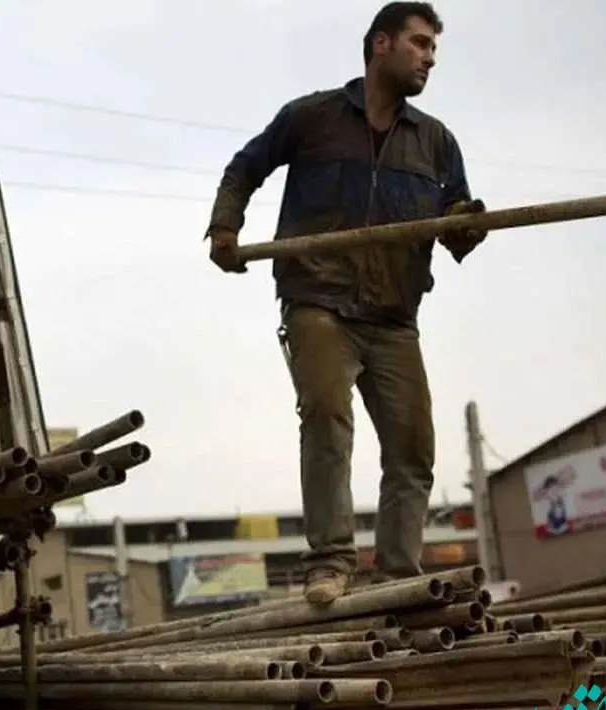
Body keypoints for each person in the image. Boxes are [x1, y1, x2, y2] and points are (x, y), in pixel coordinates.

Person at [205, 2, 488, 605]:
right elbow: (244, 168)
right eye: (418, 44)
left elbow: (455, 225)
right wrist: (225, 230)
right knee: (328, 418)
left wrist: (467, 223)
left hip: (394, 318)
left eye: (433, 50)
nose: (428, 59)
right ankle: (329, 563)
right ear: (380, 44)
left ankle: (397, 580)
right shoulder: (312, 118)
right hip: (318, 301)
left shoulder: (436, 142)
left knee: (413, 450)